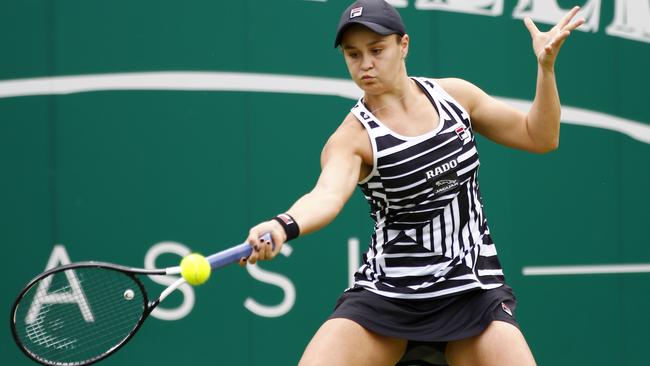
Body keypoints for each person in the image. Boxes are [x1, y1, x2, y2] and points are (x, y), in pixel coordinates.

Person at [241, 0, 584, 365]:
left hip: (471, 291)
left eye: (377, 50)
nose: (365, 64)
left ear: (403, 45)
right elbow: (326, 196)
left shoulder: (455, 96)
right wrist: (283, 225)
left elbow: (540, 136)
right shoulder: (352, 138)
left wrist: (545, 69)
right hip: (387, 298)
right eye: (353, 54)